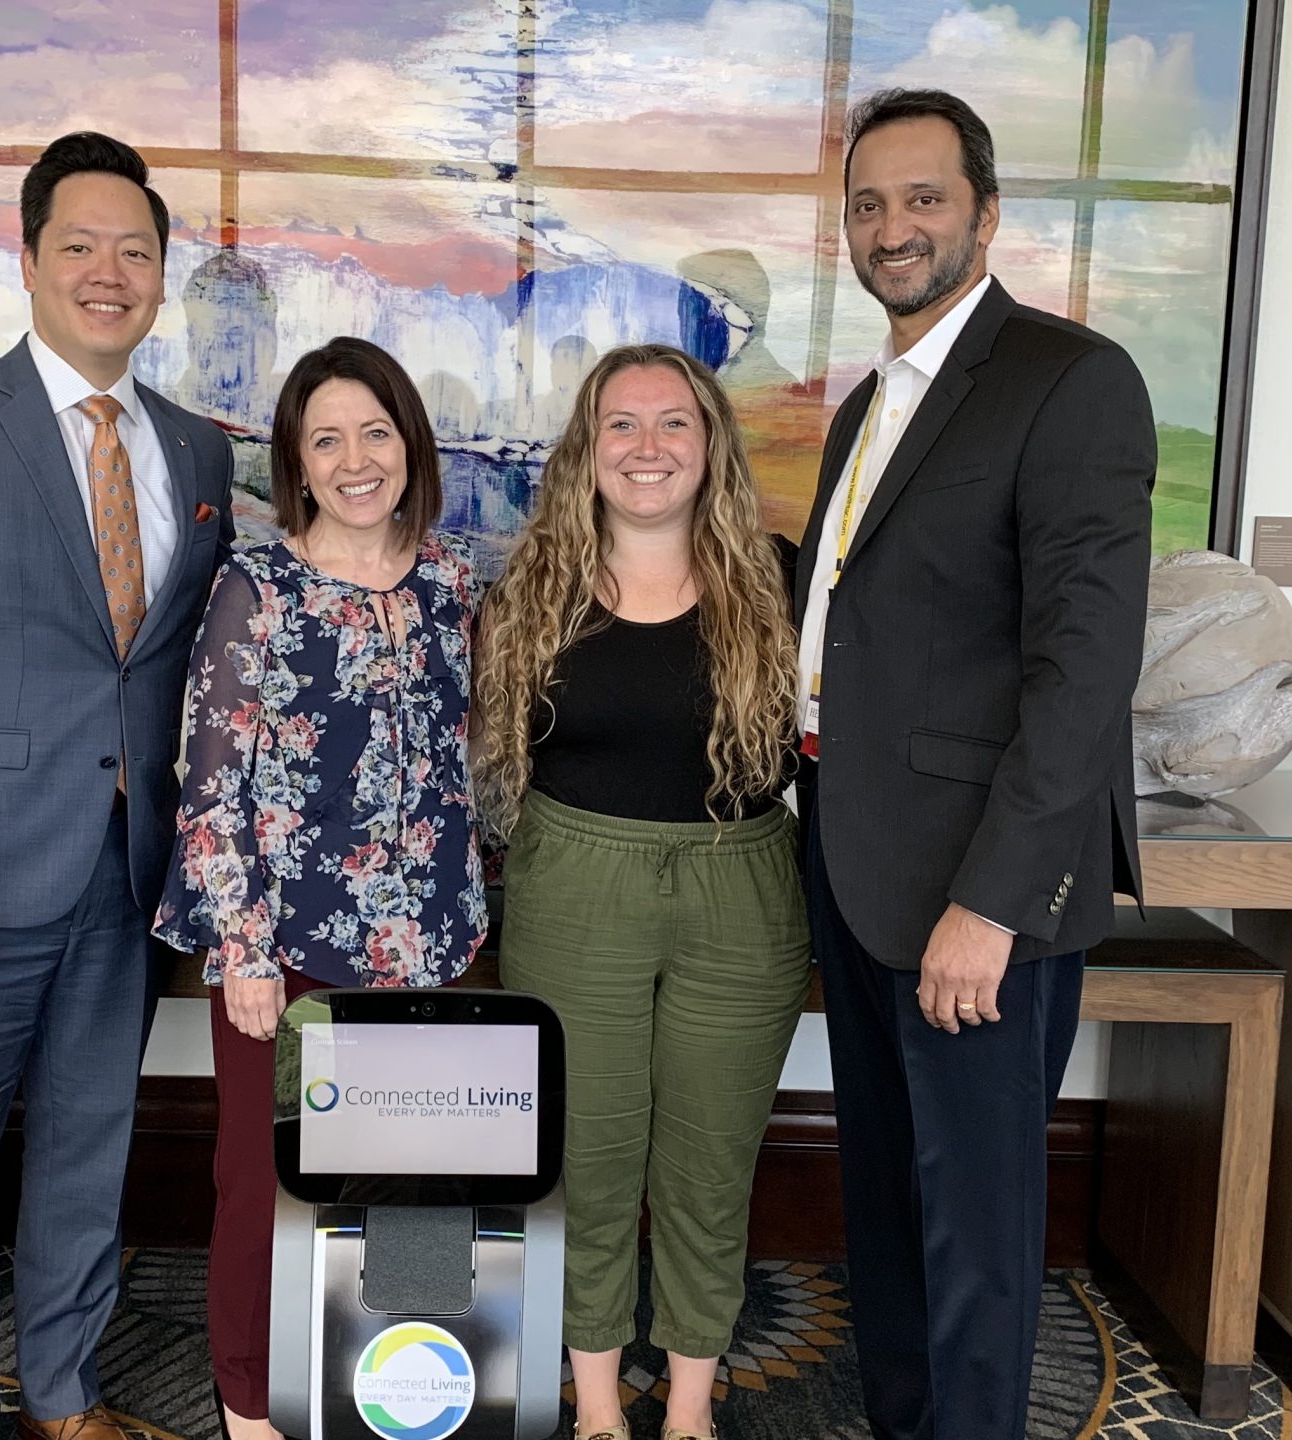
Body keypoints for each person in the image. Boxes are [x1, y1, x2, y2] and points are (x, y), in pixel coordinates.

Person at [0, 131, 236, 1440]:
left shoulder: (196, 450)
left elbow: (178, 664)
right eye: (81, 244)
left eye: (136, 249)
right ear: (26, 260)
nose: (109, 271)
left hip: (124, 873)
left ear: (163, 273)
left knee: (86, 1151)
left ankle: (68, 1398)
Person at [792, 87, 1154, 1439]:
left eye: (924, 198)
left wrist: (993, 900)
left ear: (986, 215)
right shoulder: (869, 406)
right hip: (858, 855)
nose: (894, 228)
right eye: (869, 205)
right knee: (889, 1198)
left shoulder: (1070, 380)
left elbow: (1084, 673)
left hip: (973, 889)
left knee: (978, 1229)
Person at [152, 336, 487, 1440]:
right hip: (288, 953)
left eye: (375, 432)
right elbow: (209, 783)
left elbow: (467, 761)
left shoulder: (449, 580)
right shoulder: (258, 587)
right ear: (297, 462)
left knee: (416, 1188)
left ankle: (404, 1398)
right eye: (326, 439)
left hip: (433, 943)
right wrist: (239, 949)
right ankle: (249, 1404)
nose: (355, 460)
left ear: (409, 444)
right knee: (266, 1188)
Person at [473, 344, 807, 1440]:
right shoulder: (531, 589)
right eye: (623, 423)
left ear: (710, 446)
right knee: (589, 1162)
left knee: (711, 1164)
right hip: (576, 888)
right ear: (588, 448)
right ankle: (602, 1407)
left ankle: (694, 1409)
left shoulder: (780, 575)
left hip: (740, 888)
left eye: (675, 423)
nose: (649, 445)